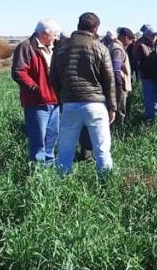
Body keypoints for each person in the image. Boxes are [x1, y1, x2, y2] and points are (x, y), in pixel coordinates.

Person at [50, 12, 117, 176]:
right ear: (95, 29)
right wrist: (113, 106)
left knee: (65, 150)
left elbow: (53, 78)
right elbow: (109, 79)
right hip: (95, 104)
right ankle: (106, 184)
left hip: (70, 104)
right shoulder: (100, 47)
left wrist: (62, 100)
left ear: (78, 25)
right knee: (102, 149)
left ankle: (60, 186)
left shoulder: (61, 48)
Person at [11, 18, 61, 165]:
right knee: (38, 139)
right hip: (36, 102)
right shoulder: (26, 47)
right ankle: (38, 172)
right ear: (45, 34)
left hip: (54, 101)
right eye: (55, 34)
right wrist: (35, 88)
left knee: (52, 136)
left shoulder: (54, 47)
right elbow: (18, 72)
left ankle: (49, 167)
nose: (56, 37)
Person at [132, 25, 157, 123]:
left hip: (156, 75)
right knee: (149, 98)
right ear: (147, 35)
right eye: (152, 35)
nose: (154, 36)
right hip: (147, 76)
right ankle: (149, 119)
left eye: (155, 34)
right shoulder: (141, 45)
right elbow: (137, 62)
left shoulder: (156, 44)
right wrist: (145, 68)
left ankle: (156, 117)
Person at [109, 27, 135, 127]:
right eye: (130, 38)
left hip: (115, 84)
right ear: (125, 37)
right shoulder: (118, 49)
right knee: (119, 110)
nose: (131, 41)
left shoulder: (114, 46)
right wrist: (120, 85)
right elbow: (116, 69)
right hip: (119, 85)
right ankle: (118, 133)